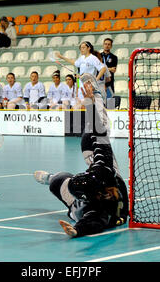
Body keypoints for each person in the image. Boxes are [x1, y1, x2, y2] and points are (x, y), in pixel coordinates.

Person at [33, 77, 128, 237]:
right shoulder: (103, 178)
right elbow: (94, 222)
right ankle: (97, 96)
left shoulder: (99, 176)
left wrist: (91, 104)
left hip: (82, 193)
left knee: (58, 179)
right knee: (100, 133)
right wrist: (77, 230)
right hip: (96, 187)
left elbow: (100, 133)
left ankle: (50, 178)